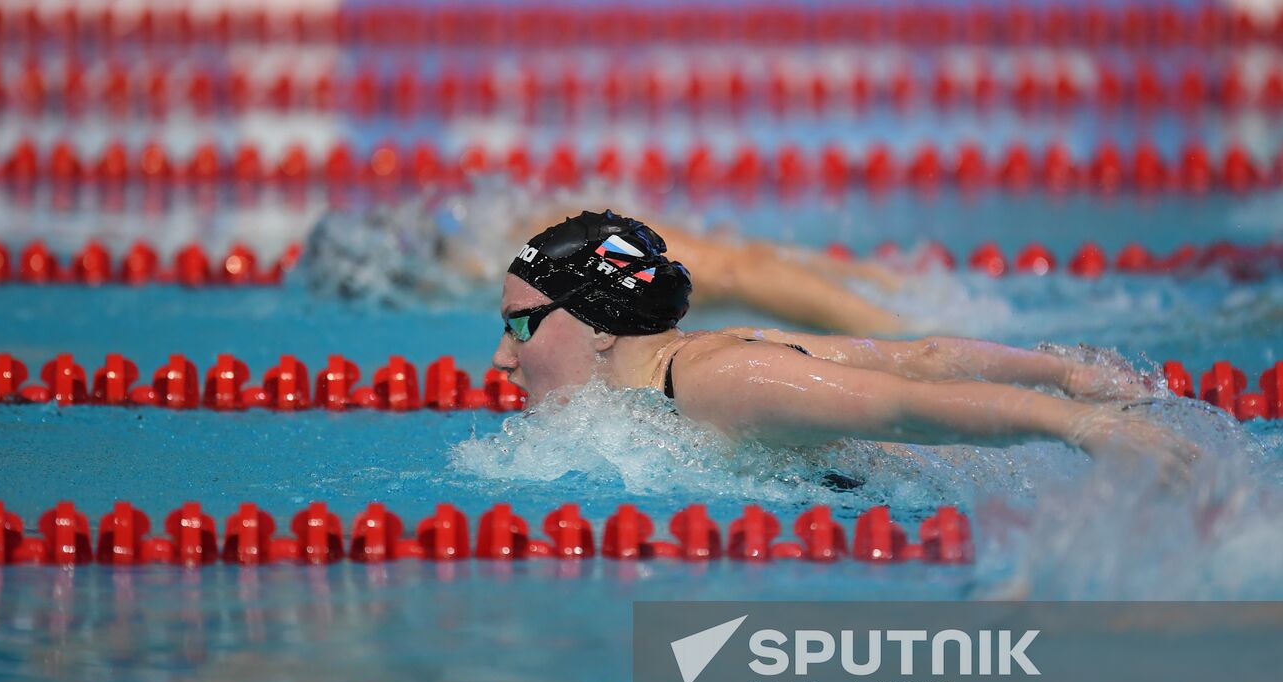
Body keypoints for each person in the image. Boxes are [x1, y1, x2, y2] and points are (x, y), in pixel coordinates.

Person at [492, 210, 1199, 477]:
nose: (501, 357)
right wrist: (1064, 375)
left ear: (602, 323)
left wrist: (1082, 424)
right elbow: (919, 356)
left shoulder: (722, 379)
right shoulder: (701, 357)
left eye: (521, 323)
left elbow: (904, 404)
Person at [302, 194, 912, 335]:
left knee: (731, 269)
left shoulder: (543, 249)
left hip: (899, 316)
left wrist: (903, 336)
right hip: (898, 296)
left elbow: (738, 275)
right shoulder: (519, 247)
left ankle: (898, 313)